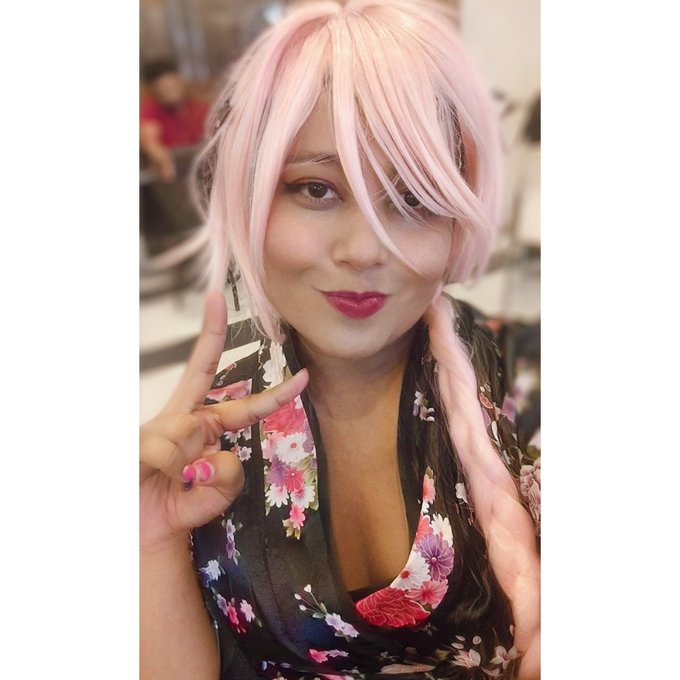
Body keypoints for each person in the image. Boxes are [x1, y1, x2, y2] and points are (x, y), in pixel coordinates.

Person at [140, 1, 541, 678]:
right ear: (251, 194)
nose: (364, 250)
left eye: (414, 199)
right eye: (317, 189)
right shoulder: (207, 430)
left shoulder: (524, 384)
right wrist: (148, 538)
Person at [140, 59, 209, 182]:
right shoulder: (151, 110)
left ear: (179, 81)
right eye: (165, 90)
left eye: (173, 87)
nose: (171, 93)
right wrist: (162, 160)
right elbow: (150, 143)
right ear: (155, 91)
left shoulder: (199, 107)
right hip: (175, 173)